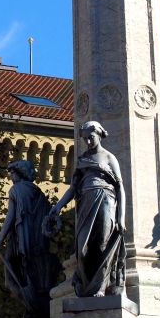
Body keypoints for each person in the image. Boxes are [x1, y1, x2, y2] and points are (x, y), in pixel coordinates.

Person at [45, 120, 126, 297]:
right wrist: (58, 206)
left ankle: (100, 287)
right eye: (85, 139)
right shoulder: (82, 160)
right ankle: (87, 284)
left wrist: (121, 217)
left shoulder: (109, 158)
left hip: (105, 200)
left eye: (91, 137)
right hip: (85, 203)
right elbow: (73, 188)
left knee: (102, 245)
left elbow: (120, 187)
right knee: (82, 250)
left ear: (99, 135)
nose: (88, 142)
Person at [0, 160, 60, 318]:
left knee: (12, 280)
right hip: (38, 246)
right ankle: (37, 309)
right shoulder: (39, 194)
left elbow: (11, 217)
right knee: (33, 280)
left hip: (21, 244)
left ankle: (33, 308)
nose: (10, 177)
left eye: (13, 173)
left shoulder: (16, 190)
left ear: (20, 174)